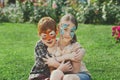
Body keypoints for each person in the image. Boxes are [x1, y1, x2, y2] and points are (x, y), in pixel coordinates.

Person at [47, 14, 91, 80]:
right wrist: (67, 58)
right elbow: (52, 70)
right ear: (58, 28)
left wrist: (56, 62)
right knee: (56, 73)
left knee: (67, 78)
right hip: (61, 73)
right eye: (65, 29)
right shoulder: (52, 46)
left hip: (80, 75)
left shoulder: (75, 47)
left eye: (72, 31)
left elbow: (76, 71)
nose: (68, 34)